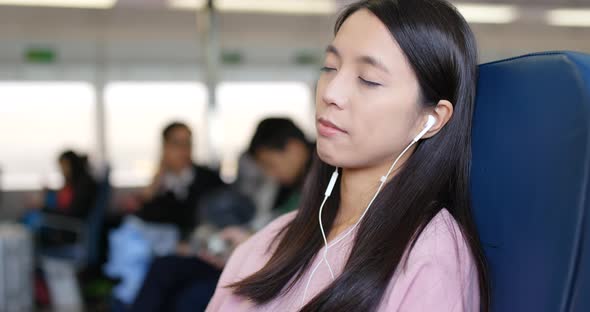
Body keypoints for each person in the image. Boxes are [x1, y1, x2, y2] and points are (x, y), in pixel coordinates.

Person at [207, 0, 489, 311]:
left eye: (368, 79)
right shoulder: (274, 239)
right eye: (329, 67)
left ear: (430, 119)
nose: (330, 92)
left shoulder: (428, 257)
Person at [129, 118, 314, 312]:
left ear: (293, 148)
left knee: (188, 297)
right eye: (176, 144)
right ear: (164, 148)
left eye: (188, 143)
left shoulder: (207, 179)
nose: (272, 174)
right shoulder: (290, 186)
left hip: (254, 257)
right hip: (231, 249)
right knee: (163, 268)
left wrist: (250, 242)